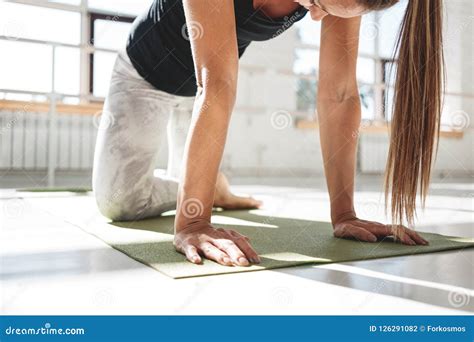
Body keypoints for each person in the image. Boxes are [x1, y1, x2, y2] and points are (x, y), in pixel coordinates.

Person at [93, 0, 443, 267]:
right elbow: (217, 83)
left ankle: (207, 185)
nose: (317, 17)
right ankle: (208, 188)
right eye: (316, 4)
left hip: (201, 93)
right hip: (144, 76)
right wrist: (193, 221)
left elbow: (339, 94)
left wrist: (345, 214)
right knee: (119, 203)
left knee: (188, 183)